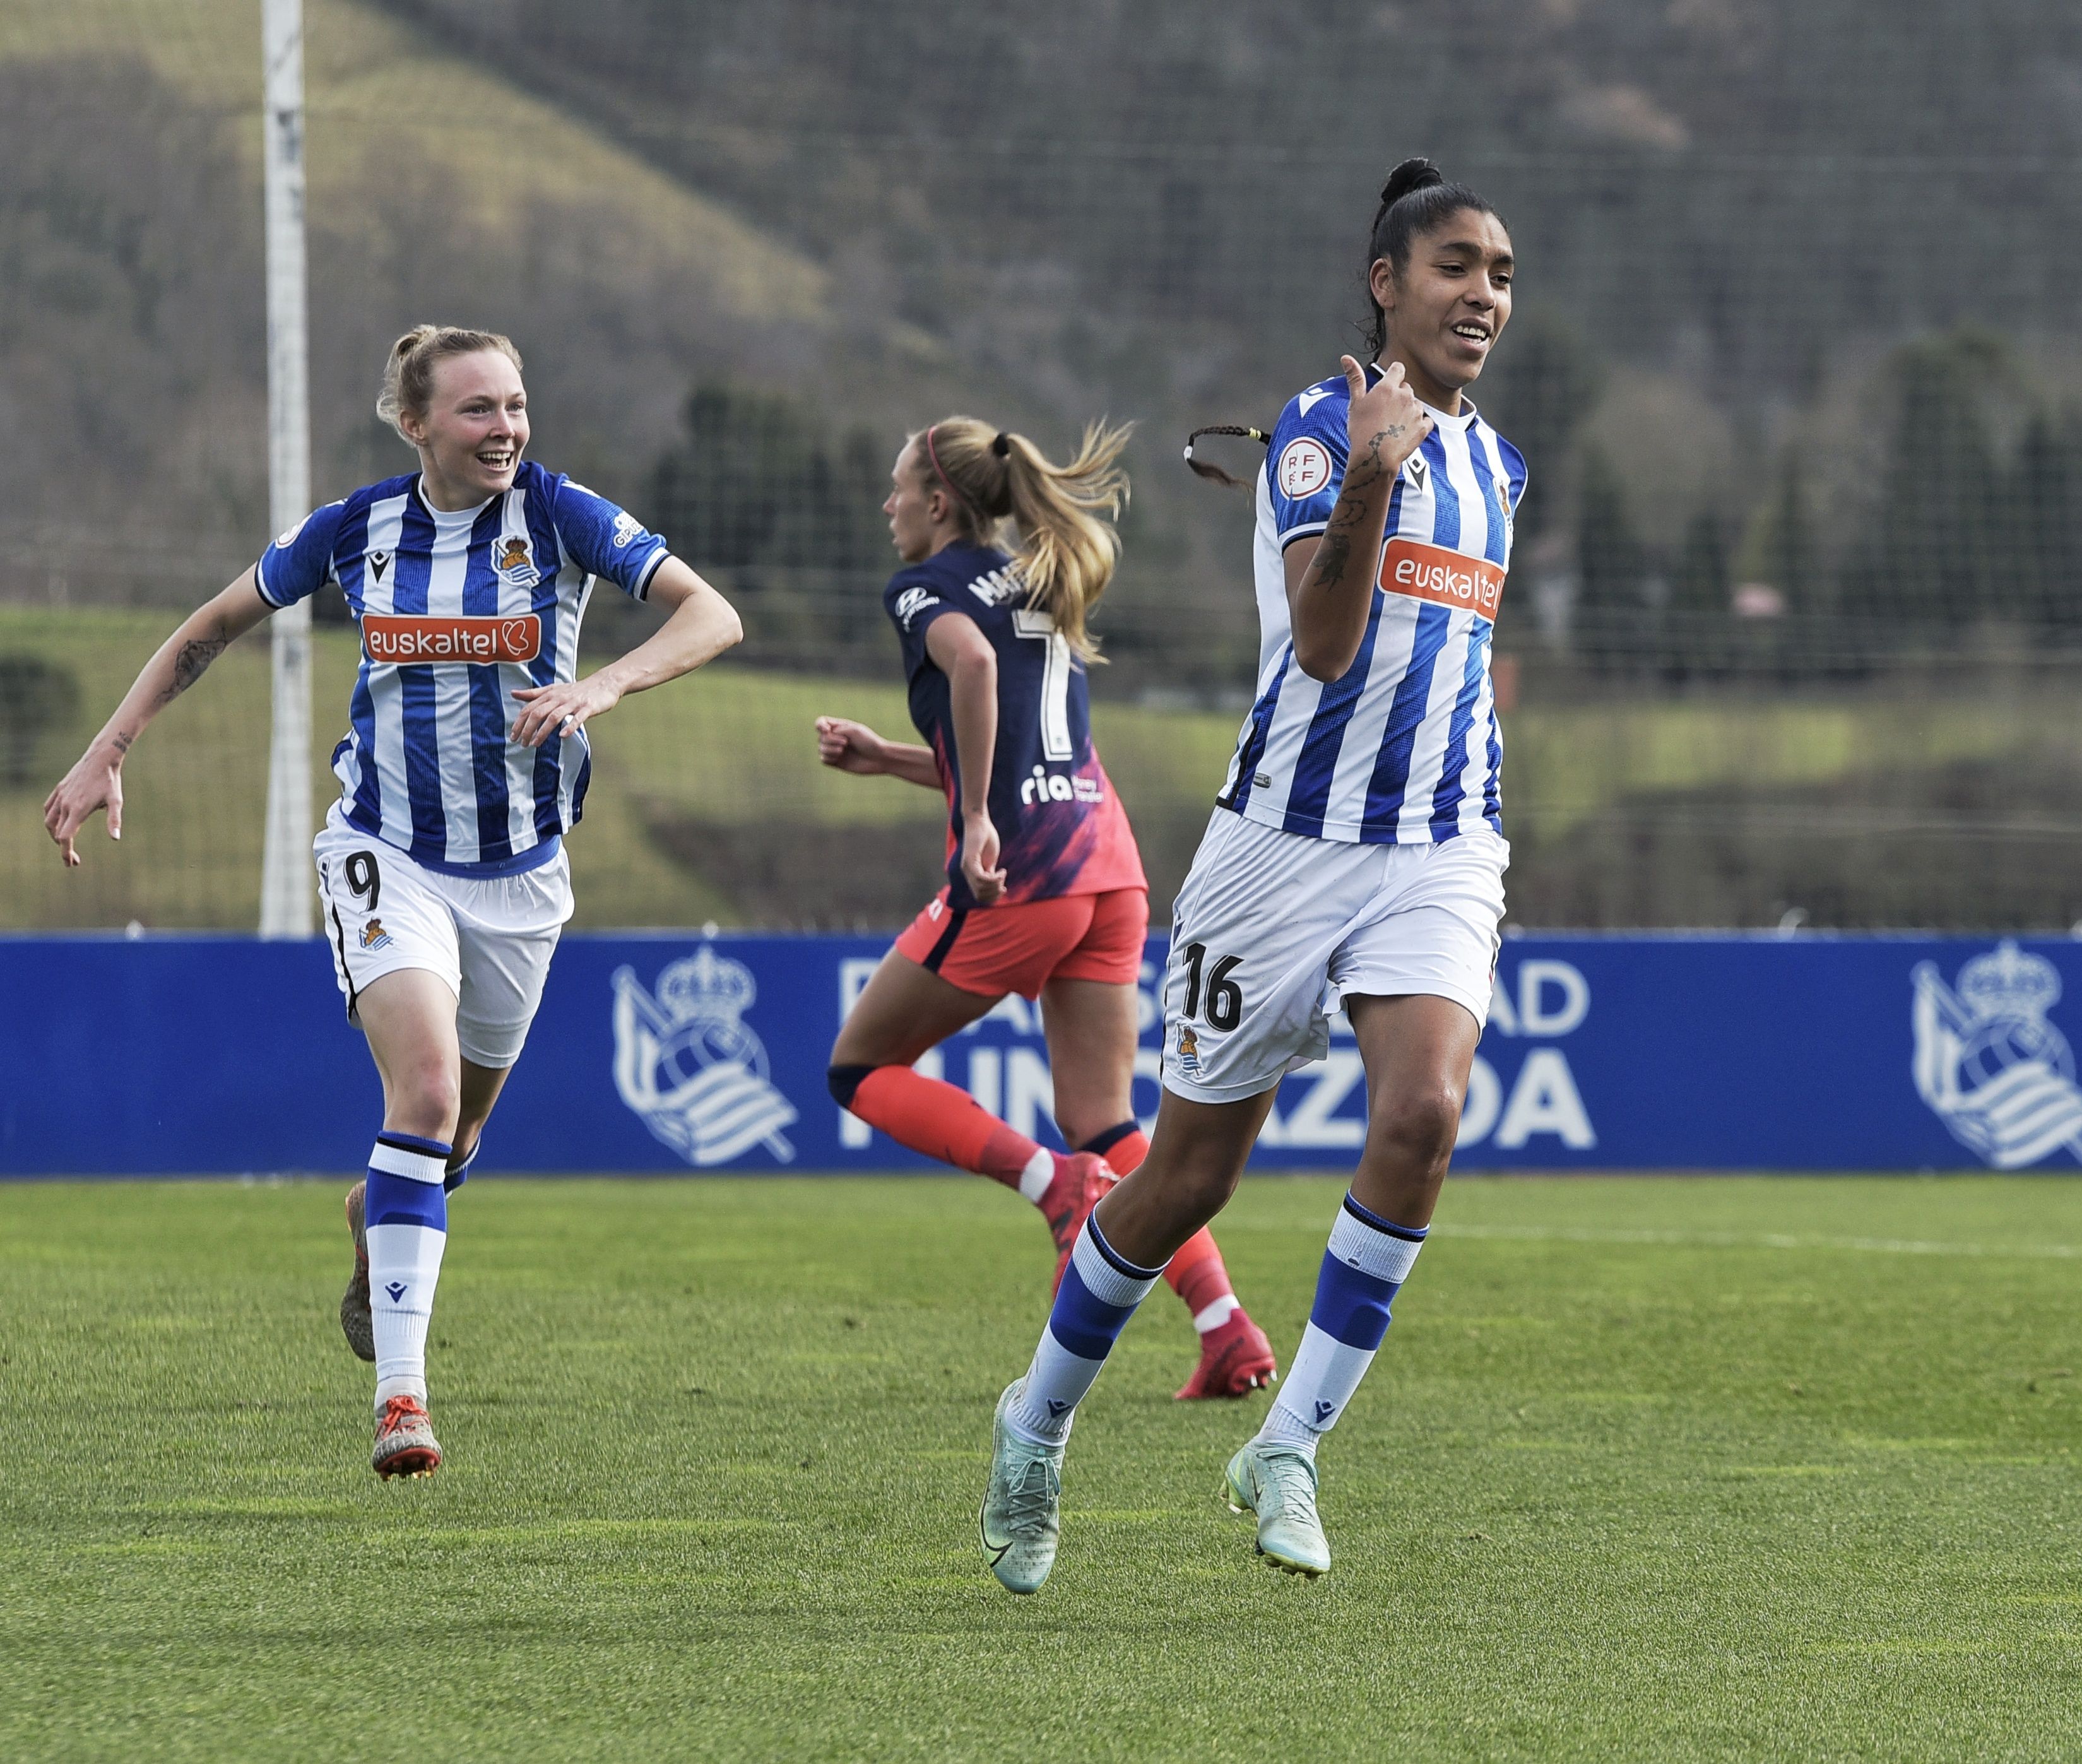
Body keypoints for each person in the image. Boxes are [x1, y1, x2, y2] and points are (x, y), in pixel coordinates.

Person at [42, 324, 745, 1477]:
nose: (504, 428)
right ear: (413, 421)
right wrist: (107, 750)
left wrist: (603, 685)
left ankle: (380, 1218)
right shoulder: (354, 531)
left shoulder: (561, 515)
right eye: (475, 410)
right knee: (418, 1096)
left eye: (515, 406)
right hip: (385, 850)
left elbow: (709, 614)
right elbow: (211, 627)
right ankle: (402, 1402)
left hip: (521, 874)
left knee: (458, 1134)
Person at [978, 157, 1524, 1591]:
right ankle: (1033, 1424)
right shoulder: (1310, 433)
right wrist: (1366, 471)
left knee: (1423, 1113)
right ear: (1386, 284)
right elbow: (1330, 644)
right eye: (1456, 266)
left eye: (1502, 274)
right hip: (1278, 849)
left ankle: (1285, 1443)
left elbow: (1439, 666)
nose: (1483, 293)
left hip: (1439, 845)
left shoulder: (1504, 471)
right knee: (1185, 1174)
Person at [815, 417, 1274, 1401]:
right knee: (1105, 1118)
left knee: (858, 1068)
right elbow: (1024, 733)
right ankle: (1223, 1323)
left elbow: (975, 673)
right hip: (1107, 868)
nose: (888, 505)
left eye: (898, 488)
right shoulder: (1038, 575)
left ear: (939, 503)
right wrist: (896, 759)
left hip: (1022, 874)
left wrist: (973, 814)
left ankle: (1051, 1186)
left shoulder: (923, 589)